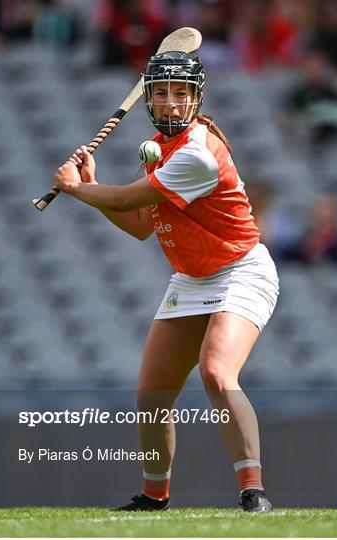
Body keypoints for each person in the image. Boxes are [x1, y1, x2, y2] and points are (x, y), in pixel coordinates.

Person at [53, 51, 279, 512]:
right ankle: (154, 497)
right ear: (150, 101)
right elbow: (139, 223)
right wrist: (95, 186)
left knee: (217, 373)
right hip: (192, 279)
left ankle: (252, 491)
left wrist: (78, 189)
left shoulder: (196, 153)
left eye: (181, 93)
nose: (172, 102)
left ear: (196, 99)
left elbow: (122, 200)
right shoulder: (161, 149)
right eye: (161, 93)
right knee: (152, 395)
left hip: (241, 270)